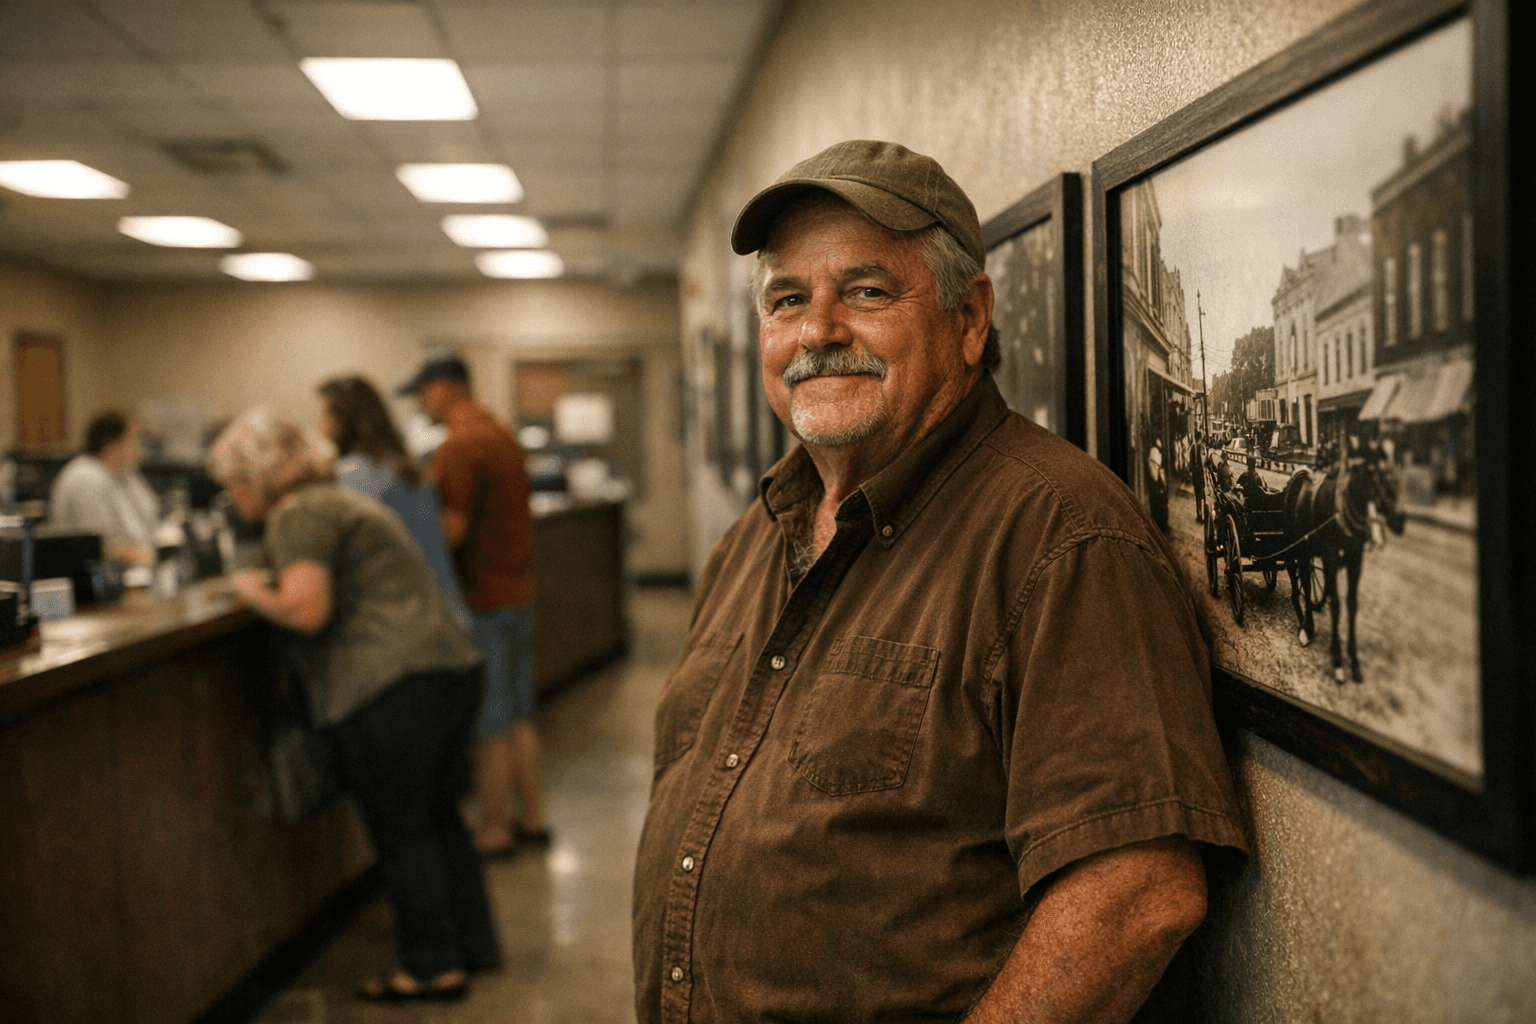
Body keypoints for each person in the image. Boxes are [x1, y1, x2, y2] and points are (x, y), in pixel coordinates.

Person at [632, 140, 1246, 1023]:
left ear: (969, 317)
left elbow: (1135, 894)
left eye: (868, 292)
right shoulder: (752, 538)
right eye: (788, 300)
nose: (819, 331)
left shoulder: (1062, 539)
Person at [208, 408, 497, 1003]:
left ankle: (429, 967)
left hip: (387, 683)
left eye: (234, 483)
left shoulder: (299, 512)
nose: (233, 498)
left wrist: (250, 591)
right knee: (440, 818)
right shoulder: (337, 501)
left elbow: (306, 610)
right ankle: (474, 945)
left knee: (402, 831)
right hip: (447, 668)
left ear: (259, 477)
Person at [398, 354, 548, 856]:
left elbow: (451, 533)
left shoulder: (458, 447)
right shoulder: (502, 434)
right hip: (519, 592)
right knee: (522, 716)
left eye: (423, 392)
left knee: (491, 723)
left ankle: (497, 829)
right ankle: (532, 816)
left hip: (482, 599)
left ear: (444, 388)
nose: (420, 403)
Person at [318, 375, 470, 627]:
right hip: (448, 613)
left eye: (324, 414)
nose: (320, 424)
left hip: (406, 622)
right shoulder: (407, 469)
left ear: (343, 420)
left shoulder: (353, 475)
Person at [48, 410, 159, 565]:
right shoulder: (85, 477)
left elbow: (149, 515)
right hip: (88, 576)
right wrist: (148, 555)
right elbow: (102, 546)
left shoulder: (120, 472)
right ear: (110, 443)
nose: (137, 447)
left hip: (120, 568)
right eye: (132, 439)